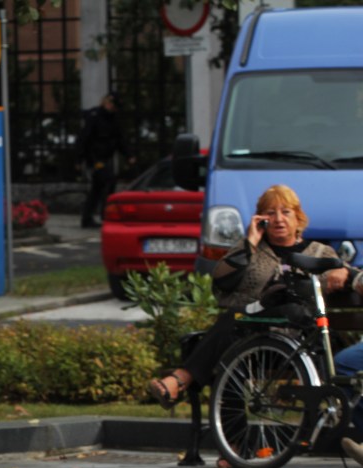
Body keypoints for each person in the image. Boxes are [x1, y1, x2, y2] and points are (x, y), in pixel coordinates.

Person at [147, 185, 354, 414]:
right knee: (233, 349)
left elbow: (349, 273)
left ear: (298, 217)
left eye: (286, 212)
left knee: (234, 326)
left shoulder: (318, 252)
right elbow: (222, 282)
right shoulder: (250, 249)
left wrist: (344, 273)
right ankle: (233, 445)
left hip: (297, 342)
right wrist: (250, 242)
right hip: (251, 338)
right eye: (270, 213)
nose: (278, 219)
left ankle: (179, 380)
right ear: (260, 219)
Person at [76, 92, 135, 228]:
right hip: (94, 157)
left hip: (104, 157)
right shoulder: (94, 117)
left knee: (97, 188)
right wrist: (79, 160)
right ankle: (105, 213)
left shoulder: (113, 119)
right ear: (107, 103)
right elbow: (83, 139)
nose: (115, 109)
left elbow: (120, 139)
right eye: (113, 106)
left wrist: (129, 155)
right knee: (109, 180)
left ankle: (88, 218)